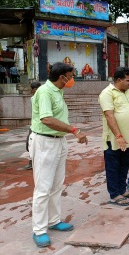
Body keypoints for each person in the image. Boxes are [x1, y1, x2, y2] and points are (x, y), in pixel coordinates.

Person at [30, 62, 88, 248]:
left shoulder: (57, 91)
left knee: (56, 185)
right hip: (45, 142)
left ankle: (53, 220)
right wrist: (74, 130)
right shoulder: (45, 92)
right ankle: (39, 230)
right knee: (43, 188)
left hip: (58, 142)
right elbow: (46, 119)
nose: (72, 80)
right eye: (70, 76)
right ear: (62, 77)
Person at [99, 67, 129, 206]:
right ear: (119, 80)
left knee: (125, 164)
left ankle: (122, 189)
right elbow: (109, 115)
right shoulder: (106, 93)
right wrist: (118, 135)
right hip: (114, 139)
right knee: (113, 166)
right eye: (128, 80)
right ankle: (114, 194)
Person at [24, 82, 42, 170]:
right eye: (33, 89)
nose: (34, 91)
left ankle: (33, 162)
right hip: (34, 125)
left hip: (41, 126)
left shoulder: (43, 98)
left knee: (38, 145)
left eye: (36, 89)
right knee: (29, 144)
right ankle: (32, 160)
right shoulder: (32, 98)